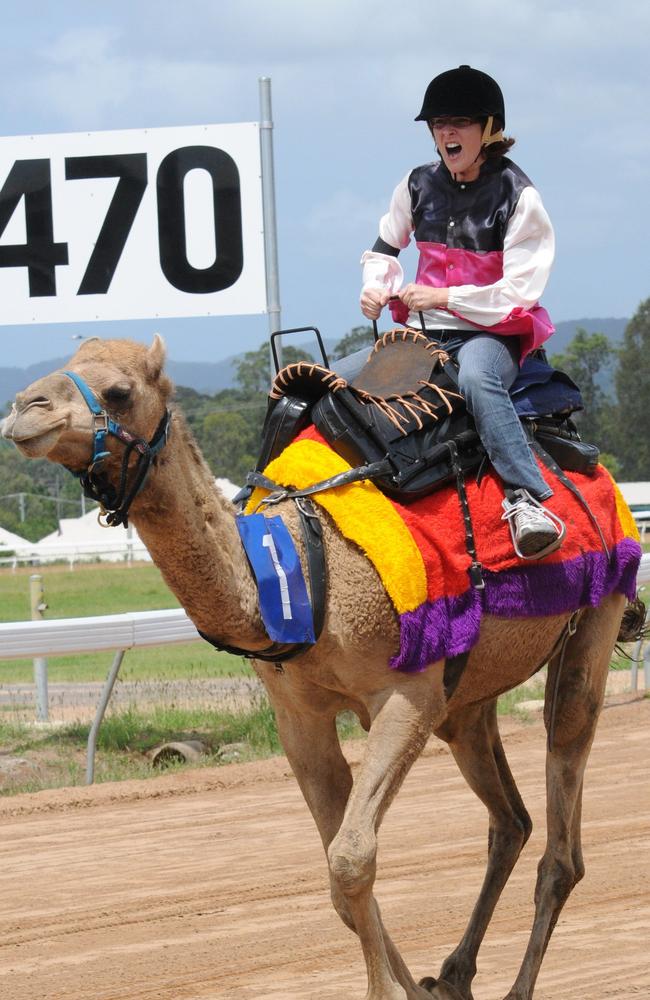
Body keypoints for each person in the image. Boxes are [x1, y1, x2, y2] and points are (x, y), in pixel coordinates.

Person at [360, 65, 565, 560]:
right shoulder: (414, 185)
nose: (447, 133)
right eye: (438, 124)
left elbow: (519, 293)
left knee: (475, 377)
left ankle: (528, 498)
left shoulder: (521, 197)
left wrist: (445, 298)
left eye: (459, 123)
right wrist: (374, 288)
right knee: (347, 383)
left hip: (491, 336)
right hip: (426, 334)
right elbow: (386, 249)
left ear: (489, 129)